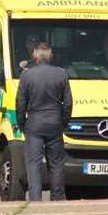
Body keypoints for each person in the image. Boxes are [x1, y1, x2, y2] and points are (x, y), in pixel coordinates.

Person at [16, 42, 73, 201]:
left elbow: (20, 103)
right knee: (56, 164)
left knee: (33, 163)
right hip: (55, 122)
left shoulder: (27, 75)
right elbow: (68, 103)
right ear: (51, 56)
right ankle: (57, 197)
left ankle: (35, 198)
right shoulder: (61, 74)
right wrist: (63, 122)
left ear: (35, 55)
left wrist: (22, 123)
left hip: (34, 123)